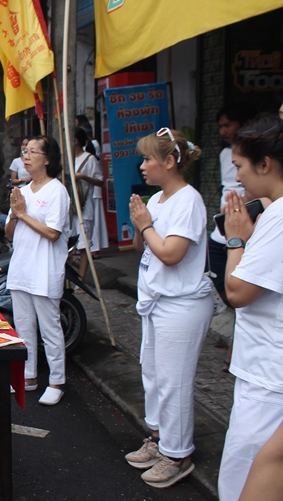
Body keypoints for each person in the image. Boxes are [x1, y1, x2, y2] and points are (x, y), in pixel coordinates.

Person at [125, 127, 211, 488]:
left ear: (171, 161)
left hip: (181, 304)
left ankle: (178, 454)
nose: (142, 166)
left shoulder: (189, 200)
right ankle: (161, 440)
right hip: (158, 302)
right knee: (156, 377)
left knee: (174, 381)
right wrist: (140, 227)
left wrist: (144, 226)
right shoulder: (158, 199)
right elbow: (144, 249)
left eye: (148, 158)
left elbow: (171, 254)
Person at [217, 115, 283, 500]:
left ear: (265, 164)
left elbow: (238, 291)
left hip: (268, 374)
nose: (237, 177)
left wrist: (236, 240)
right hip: (265, 367)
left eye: (240, 166)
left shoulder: (278, 215)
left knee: (245, 476)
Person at [5, 135, 69, 407]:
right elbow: (10, 233)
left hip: (45, 270)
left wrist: (23, 214)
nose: (26, 157)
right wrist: (15, 212)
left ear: (48, 159)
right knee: (23, 328)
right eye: (24, 152)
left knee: (49, 328)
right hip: (21, 269)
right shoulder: (24, 191)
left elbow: (53, 233)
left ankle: (57, 381)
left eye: (33, 152)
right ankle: (29, 376)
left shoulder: (56, 191)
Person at [210, 103, 255, 372]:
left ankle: (235, 349)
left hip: (240, 231)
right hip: (223, 231)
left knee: (239, 290)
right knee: (221, 282)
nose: (223, 130)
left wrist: (238, 237)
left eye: (228, 124)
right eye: (220, 126)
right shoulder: (224, 153)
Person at [71, 126, 103, 283]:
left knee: (84, 245)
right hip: (69, 207)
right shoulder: (67, 158)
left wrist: (83, 177)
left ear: (76, 140)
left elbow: (100, 181)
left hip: (84, 206)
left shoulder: (89, 159)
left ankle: (81, 280)